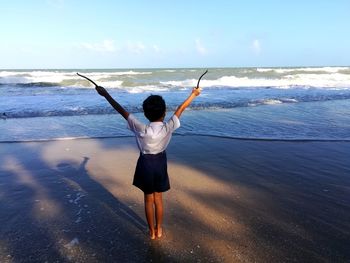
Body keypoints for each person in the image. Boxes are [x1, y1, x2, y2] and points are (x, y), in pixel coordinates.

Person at [95, 85, 201, 239]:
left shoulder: (141, 128)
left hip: (145, 164)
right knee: (158, 199)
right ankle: (159, 229)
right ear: (164, 113)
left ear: (145, 113)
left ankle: (151, 231)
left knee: (148, 199)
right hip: (160, 163)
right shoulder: (168, 127)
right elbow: (181, 108)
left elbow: (121, 110)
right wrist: (194, 94)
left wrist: (106, 95)